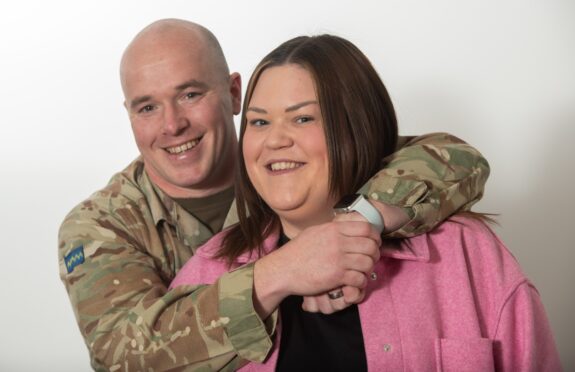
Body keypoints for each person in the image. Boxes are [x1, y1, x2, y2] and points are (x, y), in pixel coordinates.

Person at [58, 19, 490, 370]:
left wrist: (359, 224)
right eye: (147, 107)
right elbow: (121, 355)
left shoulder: (297, 168)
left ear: (232, 94)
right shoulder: (100, 225)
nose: (172, 125)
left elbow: (452, 159)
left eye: (190, 95)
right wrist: (282, 270)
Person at [171, 34, 561, 371]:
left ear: (357, 128)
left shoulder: (466, 253)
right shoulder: (208, 273)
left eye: (303, 119)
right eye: (259, 122)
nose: (275, 140)